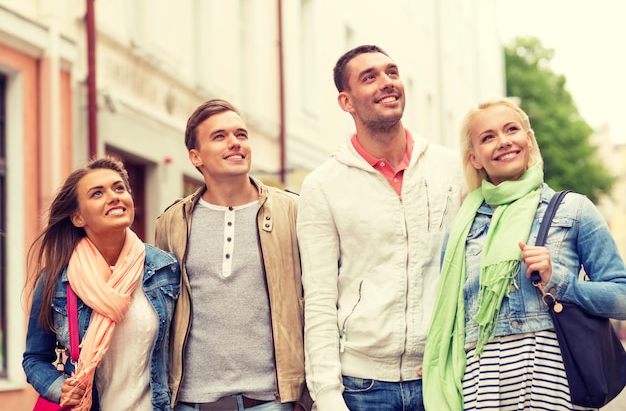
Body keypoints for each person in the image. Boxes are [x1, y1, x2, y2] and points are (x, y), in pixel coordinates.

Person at [422, 97, 626, 410]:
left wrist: (559, 280)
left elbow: (621, 297)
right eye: (488, 137)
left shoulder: (573, 210)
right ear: (475, 157)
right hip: (482, 382)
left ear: (528, 140)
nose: (503, 142)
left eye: (511, 130)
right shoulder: (461, 227)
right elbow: (447, 313)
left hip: (553, 373)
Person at [296, 44, 466, 411]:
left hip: (442, 377)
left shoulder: (453, 170)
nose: (387, 83)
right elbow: (320, 298)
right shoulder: (323, 185)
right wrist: (326, 394)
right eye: (369, 77)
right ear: (346, 101)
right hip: (362, 388)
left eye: (391, 72)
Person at [155, 99, 308, 411]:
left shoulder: (293, 212)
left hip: (271, 401)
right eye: (220, 136)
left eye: (241, 134)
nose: (235, 143)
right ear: (195, 157)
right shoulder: (172, 222)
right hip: (190, 402)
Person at [22, 156, 181, 410]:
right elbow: (35, 358)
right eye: (97, 193)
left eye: (119, 188)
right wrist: (57, 387)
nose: (115, 196)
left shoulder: (164, 269)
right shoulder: (57, 280)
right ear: (77, 217)